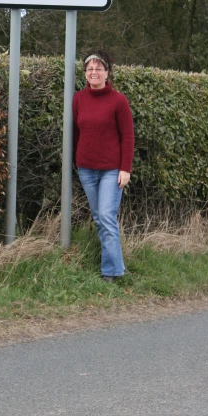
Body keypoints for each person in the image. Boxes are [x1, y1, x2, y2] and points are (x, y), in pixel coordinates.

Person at [72, 50, 134, 281]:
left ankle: (112, 271)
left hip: (111, 170)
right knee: (99, 218)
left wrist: (125, 169)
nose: (94, 72)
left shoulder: (118, 101)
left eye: (99, 68)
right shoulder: (78, 98)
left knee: (107, 216)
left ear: (107, 73)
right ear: (85, 73)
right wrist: (76, 161)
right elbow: (76, 133)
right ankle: (115, 266)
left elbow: (127, 137)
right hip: (86, 169)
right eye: (90, 69)